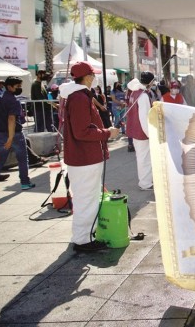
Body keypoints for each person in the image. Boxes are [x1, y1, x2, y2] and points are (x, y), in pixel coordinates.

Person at [60, 62, 119, 251]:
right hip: (85, 157)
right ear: (86, 77)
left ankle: (82, 235)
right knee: (87, 198)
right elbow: (82, 132)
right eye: (92, 75)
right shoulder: (79, 98)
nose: (94, 78)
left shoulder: (77, 96)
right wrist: (107, 133)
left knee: (85, 198)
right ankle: (83, 239)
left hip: (83, 157)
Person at [0, 76, 36, 198]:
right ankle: (25, 182)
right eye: (18, 86)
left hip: (0, 134)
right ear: (9, 87)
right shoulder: (14, 101)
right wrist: (10, 138)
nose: (20, 88)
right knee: (22, 159)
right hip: (14, 134)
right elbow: (11, 119)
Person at [126, 72, 155, 191]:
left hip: (135, 130)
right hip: (141, 132)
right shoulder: (143, 96)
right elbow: (144, 118)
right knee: (145, 159)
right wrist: (150, 134)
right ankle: (145, 183)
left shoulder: (135, 92)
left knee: (142, 158)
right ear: (150, 82)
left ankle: (145, 180)